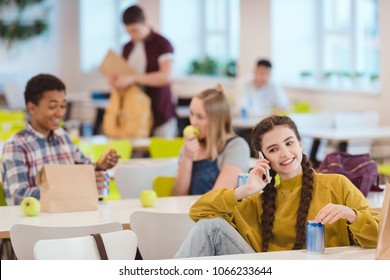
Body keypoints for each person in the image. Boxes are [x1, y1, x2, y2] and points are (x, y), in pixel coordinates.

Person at [175, 115, 379, 257]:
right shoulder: (255, 199)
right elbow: (197, 212)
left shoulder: (336, 184)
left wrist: (351, 214)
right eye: (273, 149)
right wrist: (245, 189)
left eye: (289, 143)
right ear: (263, 158)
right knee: (210, 226)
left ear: (300, 144)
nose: (284, 153)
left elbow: (381, 235)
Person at [1, 74, 120, 205]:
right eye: (52, 107)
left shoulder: (62, 136)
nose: (60, 113)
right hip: (36, 222)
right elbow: (19, 196)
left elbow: (84, 170)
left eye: (63, 106)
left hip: (70, 216)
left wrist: (98, 167)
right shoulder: (16, 145)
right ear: (32, 108)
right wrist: (71, 188)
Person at [109, 5, 177, 138]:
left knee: (162, 154)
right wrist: (116, 80)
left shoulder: (162, 44)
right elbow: (123, 75)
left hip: (159, 111)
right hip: (133, 113)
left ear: (145, 23)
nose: (131, 35)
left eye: (135, 30)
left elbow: (165, 76)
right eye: (128, 32)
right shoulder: (127, 47)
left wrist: (133, 78)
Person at [172, 85, 250, 196]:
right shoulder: (189, 148)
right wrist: (187, 158)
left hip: (219, 213)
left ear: (216, 120)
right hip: (189, 212)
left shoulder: (237, 147)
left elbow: (216, 199)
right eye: (191, 114)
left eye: (200, 117)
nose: (193, 121)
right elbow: (177, 196)